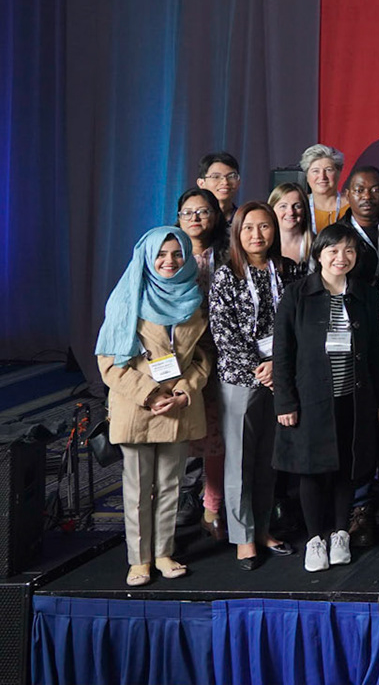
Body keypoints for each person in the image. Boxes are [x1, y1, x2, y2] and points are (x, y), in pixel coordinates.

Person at [273, 222, 379, 573]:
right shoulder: (297, 294)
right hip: (310, 401)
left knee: (348, 468)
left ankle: (341, 533)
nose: (341, 257)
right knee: (312, 472)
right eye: (333, 250)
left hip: (353, 398)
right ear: (318, 255)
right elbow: (283, 353)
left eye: (349, 250)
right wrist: (285, 402)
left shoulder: (363, 294)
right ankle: (315, 540)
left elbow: (376, 351)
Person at [98, 226, 210, 587]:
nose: (169, 261)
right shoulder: (127, 297)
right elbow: (109, 362)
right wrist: (150, 393)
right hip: (138, 406)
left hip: (178, 405)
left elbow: (205, 355)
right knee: (136, 488)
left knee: (170, 485)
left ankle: (163, 552)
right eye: (161, 254)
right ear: (147, 256)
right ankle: (139, 559)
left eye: (177, 254)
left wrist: (185, 390)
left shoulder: (194, 296)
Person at [206, 203, 295, 569]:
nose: (257, 235)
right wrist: (260, 368)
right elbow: (223, 332)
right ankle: (243, 537)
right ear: (237, 234)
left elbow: (297, 322)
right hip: (241, 378)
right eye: (249, 229)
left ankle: (263, 528)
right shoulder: (226, 276)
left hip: (281, 376)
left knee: (267, 460)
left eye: (264, 227)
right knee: (240, 461)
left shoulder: (288, 271)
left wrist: (280, 366)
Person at [341, 164, 379, 545]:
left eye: (375, 189)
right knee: (359, 429)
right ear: (348, 194)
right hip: (353, 344)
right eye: (360, 190)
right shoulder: (335, 235)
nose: (368, 197)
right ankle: (361, 506)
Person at [173, 187, 226, 541]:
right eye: (188, 212)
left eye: (203, 212)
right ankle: (174, 502)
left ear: (216, 216)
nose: (195, 218)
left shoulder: (227, 253)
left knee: (216, 435)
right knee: (178, 435)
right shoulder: (168, 255)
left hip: (222, 352)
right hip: (179, 356)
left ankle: (213, 508)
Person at [301, 144, 347, 231]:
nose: (322, 177)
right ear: (307, 175)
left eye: (328, 170)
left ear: (339, 172)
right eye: (315, 171)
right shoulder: (300, 206)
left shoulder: (352, 205)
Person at [271, 183, 311, 269]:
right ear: (271, 210)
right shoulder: (264, 246)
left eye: (297, 206)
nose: (291, 212)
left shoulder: (317, 245)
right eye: (283, 206)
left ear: (305, 210)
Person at [197, 152, 242, 221]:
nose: (225, 182)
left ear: (239, 181)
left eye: (231, 176)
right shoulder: (194, 220)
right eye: (216, 177)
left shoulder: (244, 219)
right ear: (201, 183)